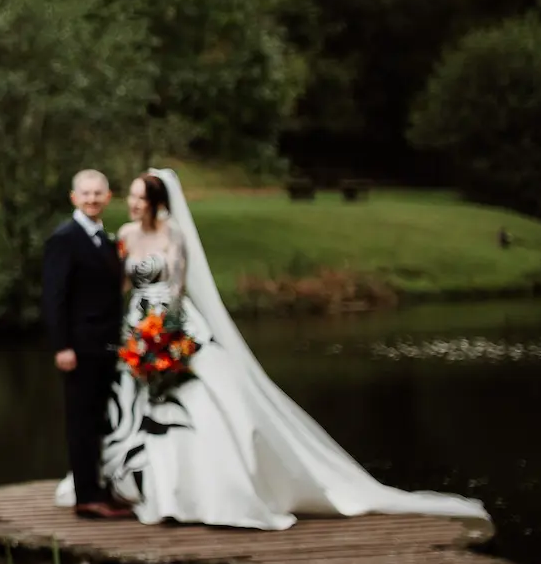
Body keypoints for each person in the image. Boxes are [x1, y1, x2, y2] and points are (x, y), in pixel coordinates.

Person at [52, 168, 487, 529]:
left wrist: (166, 329)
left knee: (196, 398)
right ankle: (127, 483)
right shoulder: (123, 235)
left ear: (156, 202)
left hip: (169, 323)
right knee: (128, 406)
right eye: (128, 195)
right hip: (132, 328)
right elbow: (117, 284)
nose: (130, 203)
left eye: (138, 197)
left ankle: (197, 487)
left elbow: (180, 287)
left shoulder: (175, 236)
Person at [40, 169, 133, 519]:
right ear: (73, 197)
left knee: (100, 420)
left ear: (108, 198)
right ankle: (87, 497)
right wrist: (62, 346)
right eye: (86, 193)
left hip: (107, 345)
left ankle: (102, 487)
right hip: (79, 347)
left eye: (98, 193)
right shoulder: (65, 238)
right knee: (81, 422)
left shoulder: (104, 239)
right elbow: (55, 297)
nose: (92, 199)